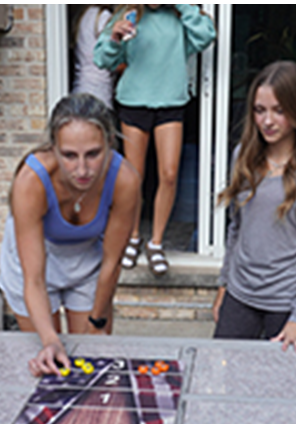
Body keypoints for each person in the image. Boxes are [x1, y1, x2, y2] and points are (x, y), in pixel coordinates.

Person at [0, 93, 141, 376]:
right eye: (69, 156)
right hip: (36, 264)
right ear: (53, 148)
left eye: (93, 154)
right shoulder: (31, 181)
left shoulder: (125, 179)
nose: (82, 170)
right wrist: (51, 341)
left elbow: (112, 263)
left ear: (109, 144)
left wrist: (98, 323)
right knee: (50, 364)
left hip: (88, 262)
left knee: (91, 361)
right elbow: (34, 279)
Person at [212, 61, 296, 353]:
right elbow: (237, 228)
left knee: (281, 392)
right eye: (260, 110)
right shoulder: (243, 156)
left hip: (287, 303)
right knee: (224, 384)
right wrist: (223, 287)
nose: (267, 121)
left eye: (279, 110)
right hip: (239, 295)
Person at [94, 3, 215, 277]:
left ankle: (156, 242)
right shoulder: (126, 15)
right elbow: (102, 60)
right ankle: (134, 236)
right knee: (134, 178)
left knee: (169, 175)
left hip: (171, 103)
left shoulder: (179, 17)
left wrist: (183, 4)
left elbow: (206, 36)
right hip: (134, 102)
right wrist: (114, 37)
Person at [71, 4, 116, 108]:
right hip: (99, 89)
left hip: (81, 86)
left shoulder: (84, 14)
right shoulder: (103, 16)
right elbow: (109, 55)